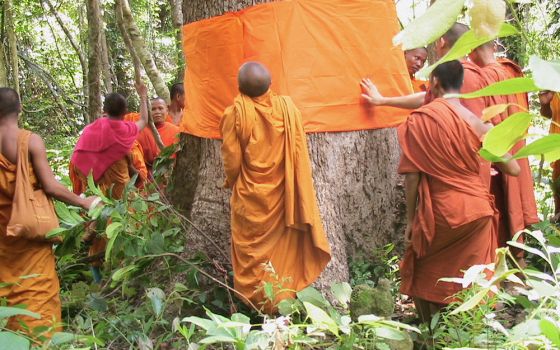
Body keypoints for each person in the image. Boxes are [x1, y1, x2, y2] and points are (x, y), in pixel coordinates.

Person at [397, 61, 520, 322]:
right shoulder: (477, 124)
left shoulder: (421, 119)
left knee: (424, 269)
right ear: (461, 85)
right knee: (473, 278)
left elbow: (412, 175)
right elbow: (514, 168)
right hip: (476, 211)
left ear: (435, 83)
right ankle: (467, 332)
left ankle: (433, 332)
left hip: (440, 212)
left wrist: (410, 219)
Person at [220, 62, 331, 312]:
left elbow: (232, 161)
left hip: (251, 197)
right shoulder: (288, 109)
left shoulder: (235, 114)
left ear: (239, 88)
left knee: (253, 255)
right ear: (271, 85)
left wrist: (229, 181)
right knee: (283, 256)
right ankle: (280, 304)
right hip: (285, 195)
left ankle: (260, 305)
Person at [0, 88, 98, 333]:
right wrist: (84, 202)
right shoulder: (29, 140)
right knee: (36, 288)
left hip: (3, 232)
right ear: (20, 109)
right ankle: (39, 339)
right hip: (28, 231)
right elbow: (51, 187)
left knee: (7, 286)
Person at [69, 83, 149, 281]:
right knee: (127, 221)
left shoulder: (91, 129)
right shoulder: (126, 129)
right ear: (125, 112)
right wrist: (143, 95)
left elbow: (78, 156)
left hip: (93, 182)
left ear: (104, 110)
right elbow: (144, 120)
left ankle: (98, 275)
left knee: (100, 220)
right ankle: (125, 273)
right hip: (119, 187)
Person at [469, 42, 539, 249]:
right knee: (512, 201)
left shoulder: (482, 77)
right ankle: (518, 262)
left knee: (501, 203)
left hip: (498, 148)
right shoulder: (512, 73)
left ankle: (509, 265)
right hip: (517, 147)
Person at [362, 23, 488, 118]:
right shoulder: (481, 75)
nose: (419, 64)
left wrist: (382, 100)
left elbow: (426, 98)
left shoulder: (454, 73)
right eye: (416, 58)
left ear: (442, 42)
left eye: (422, 60)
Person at [136, 97, 181, 174]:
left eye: (160, 108)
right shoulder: (140, 131)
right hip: (147, 178)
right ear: (147, 112)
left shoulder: (177, 131)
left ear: (167, 111)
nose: (157, 112)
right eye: (153, 109)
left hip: (172, 176)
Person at [539, 90, 560, 215]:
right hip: (557, 145)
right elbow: (546, 114)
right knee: (558, 186)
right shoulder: (553, 80)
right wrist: (545, 104)